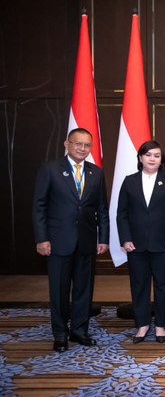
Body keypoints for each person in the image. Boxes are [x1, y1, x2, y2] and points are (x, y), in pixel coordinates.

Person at [32, 128, 109, 352]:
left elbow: (101, 209)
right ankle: (60, 333)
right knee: (59, 289)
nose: (82, 149)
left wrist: (103, 237)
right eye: (78, 144)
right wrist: (42, 238)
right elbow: (39, 206)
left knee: (84, 288)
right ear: (67, 144)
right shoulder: (50, 169)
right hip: (57, 241)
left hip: (86, 240)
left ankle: (79, 330)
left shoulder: (96, 172)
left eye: (87, 145)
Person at [116, 140, 165, 344]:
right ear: (140, 157)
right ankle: (142, 324)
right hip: (136, 244)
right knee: (139, 285)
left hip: (164, 245)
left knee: (163, 285)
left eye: (157, 155)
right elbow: (122, 214)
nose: (152, 158)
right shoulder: (129, 181)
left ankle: (161, 325)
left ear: (162, 160)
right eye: (148, 155)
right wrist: (125, 239)